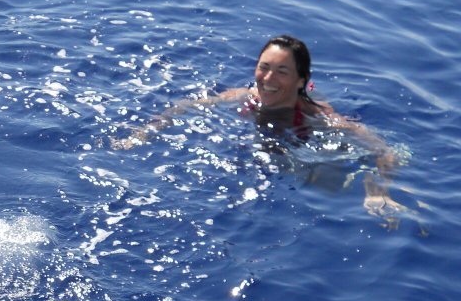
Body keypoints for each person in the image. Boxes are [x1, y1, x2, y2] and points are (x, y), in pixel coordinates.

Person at [115, 35, 405, 224]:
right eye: (263, 67)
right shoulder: (245, 96)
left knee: (327, 183)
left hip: (300, 142)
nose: (267, 78)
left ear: (301, 81)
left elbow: (386, 151)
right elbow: (183, 106)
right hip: (268, 142)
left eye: (282, 72)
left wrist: (378, 189)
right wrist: (144, 132)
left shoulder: (320, 116)